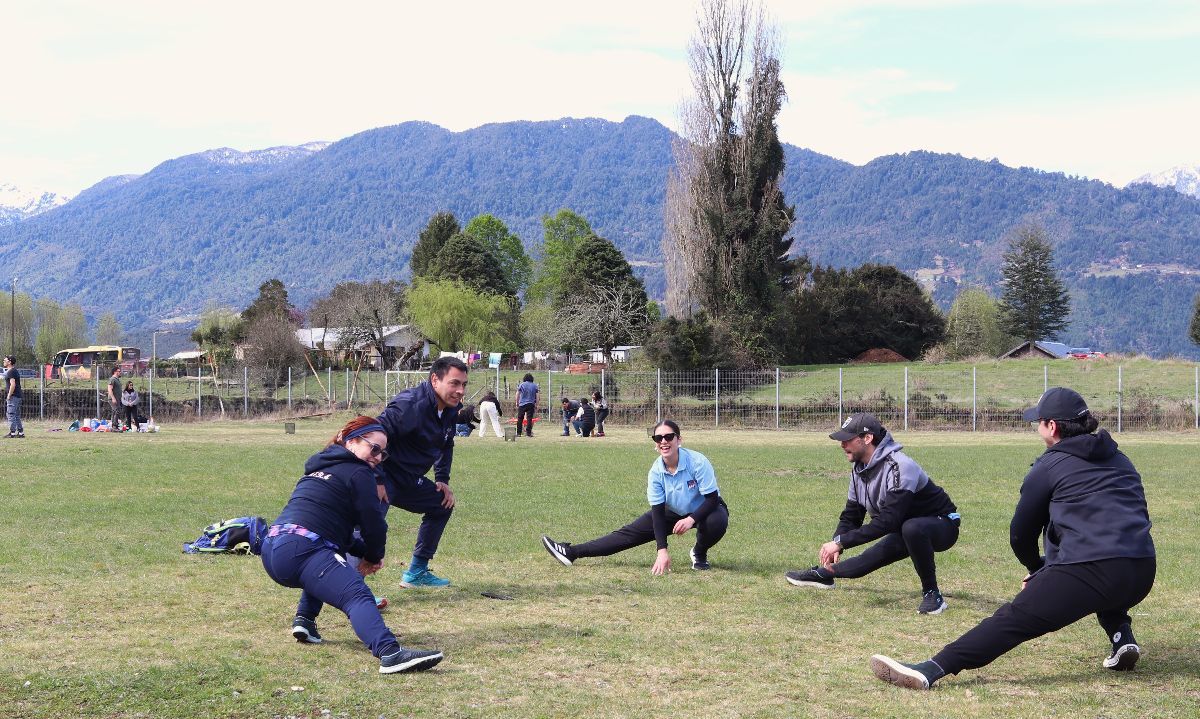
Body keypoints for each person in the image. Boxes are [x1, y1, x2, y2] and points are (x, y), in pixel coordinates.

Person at [871, 388, 1156, 690]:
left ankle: (930, 670)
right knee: (1102, 576)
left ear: (1052, 427)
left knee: (1014, 618)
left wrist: (1037, 569)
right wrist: (1051, 569)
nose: (1037, 426)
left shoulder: (1047, 466)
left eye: (1039, 421)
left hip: (1092, 569)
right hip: (1142, 570)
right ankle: (1121, 636)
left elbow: (1021, 534)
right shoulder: (1121, 458)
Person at [260, 415, 443, 674]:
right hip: (303, 549)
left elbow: (338, 535)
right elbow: (374, 524)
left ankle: (305, 621)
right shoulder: (360, 473)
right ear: (352, 442)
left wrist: (361, 553)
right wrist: (374, 554)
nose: (378, 458)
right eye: (374, 449)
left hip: (274, 547)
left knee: (329, 561)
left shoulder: (317, 468)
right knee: (357, 595)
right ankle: (390, 654)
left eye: (383, 454)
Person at [786, 412, 960, 615]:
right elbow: (852, 515)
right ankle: (823, 574)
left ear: (867, 439)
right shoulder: (859, 470)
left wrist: (842, 542)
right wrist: (837, 545)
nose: (842, 444)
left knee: (912, 528)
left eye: (847, 439)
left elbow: (888, 521)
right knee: (861, 564)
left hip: (942, 525)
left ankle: (933, 595)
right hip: (905, 528)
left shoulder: (900, 467)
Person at [541, 419, 729, 572]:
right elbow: (657, 513)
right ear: (655, 444)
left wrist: (691, 519)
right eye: (658, 438)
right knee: (625, 535)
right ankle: (571, 552)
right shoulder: (656, 472)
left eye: (669, 436)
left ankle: (699, 553)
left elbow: (712, 499)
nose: (664, 441)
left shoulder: (697, 462)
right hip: (671, 511)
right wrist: (662, 550)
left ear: (679, 440)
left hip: (706, 508)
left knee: (716, 521)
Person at [375, 356, 467, 588]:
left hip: (409, 480)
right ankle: (351, 590)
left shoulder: (449, 410)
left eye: (464, 385)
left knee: (441, 504)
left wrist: (442, 479)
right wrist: (375, 479)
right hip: (383, 477)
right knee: (368, 529)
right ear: (435, 380)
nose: (460, 391)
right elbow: (373, 437)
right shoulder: (409, 405)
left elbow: (446, 445)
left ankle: (416, 572)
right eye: (454, 383)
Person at [3, 355, 24, 439]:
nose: (4, 361)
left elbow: (13, 385)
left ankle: (12, 433)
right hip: (18, 395)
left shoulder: (11, 371)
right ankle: (21, 432)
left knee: (11, 414)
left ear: (10, 362)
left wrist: (9, 395)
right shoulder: (14, 370)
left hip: (13, 396)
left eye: (5, 360)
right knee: (17, 415)